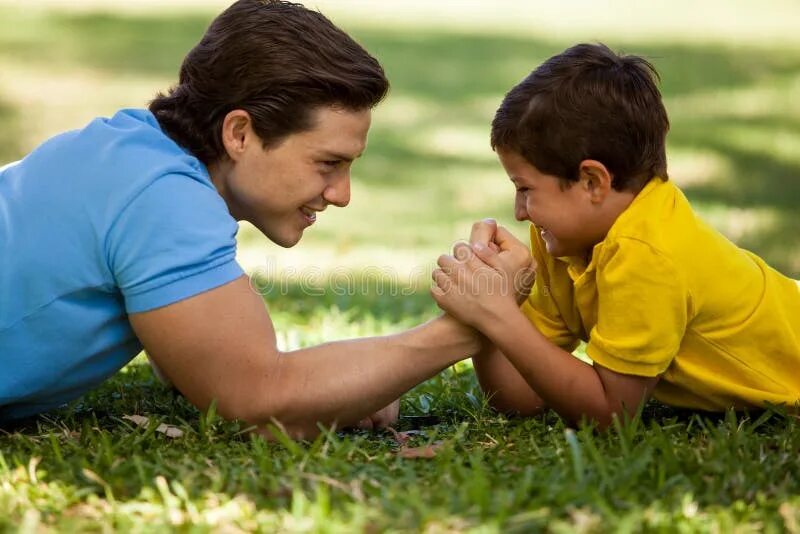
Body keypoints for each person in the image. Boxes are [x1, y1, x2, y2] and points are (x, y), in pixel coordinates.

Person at [0, 0, 481, 437]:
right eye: (328, 163)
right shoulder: (163, 198)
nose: (342, 195)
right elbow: (257, 400)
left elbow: (196, 358)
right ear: (240, 133)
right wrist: (466, 329)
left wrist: (337, 387)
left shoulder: (133, 150)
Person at [431, 43, 800, 428]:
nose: (519, 212)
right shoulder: (566, 240)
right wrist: (490, 305)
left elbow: (610, 415)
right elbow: (519, 397)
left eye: (525, 189)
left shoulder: (647, 255)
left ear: (592, 181)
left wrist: (499, 316)